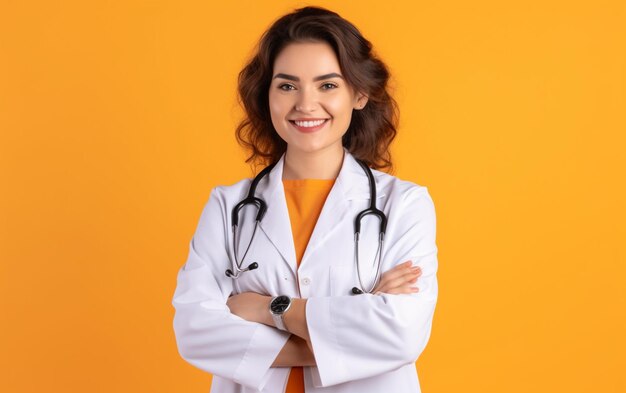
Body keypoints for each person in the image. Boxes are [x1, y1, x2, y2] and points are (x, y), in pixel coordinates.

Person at [172, 6, 438, 393]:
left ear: (359, 93)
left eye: (327, 85)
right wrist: (350, 335)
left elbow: (401, 334)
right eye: (287, 85)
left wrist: (268, 309)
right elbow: (195, 331)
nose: (305, 104)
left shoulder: (404, 205)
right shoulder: (227, 207)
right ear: (267, 95)